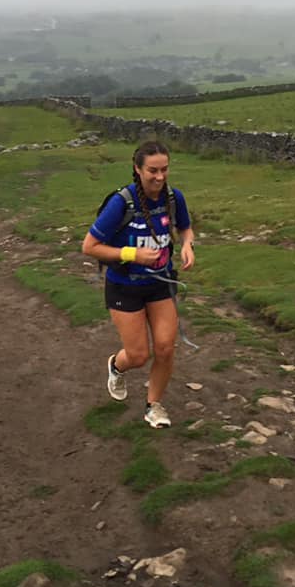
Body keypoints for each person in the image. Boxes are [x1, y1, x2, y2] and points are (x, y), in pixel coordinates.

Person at [82, 140, 195, 428]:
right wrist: (132, 254)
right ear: (137, 168)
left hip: (160, 283)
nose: (159, 177)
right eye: (152, 171)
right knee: (138, 355)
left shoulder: (173, 197)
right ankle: (116, 366)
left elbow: (185, 226)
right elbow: (90, 247)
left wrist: (187, 245)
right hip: (124, 286)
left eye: (165, 170)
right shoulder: (122, 202)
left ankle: (153, 406)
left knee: (166, 347)